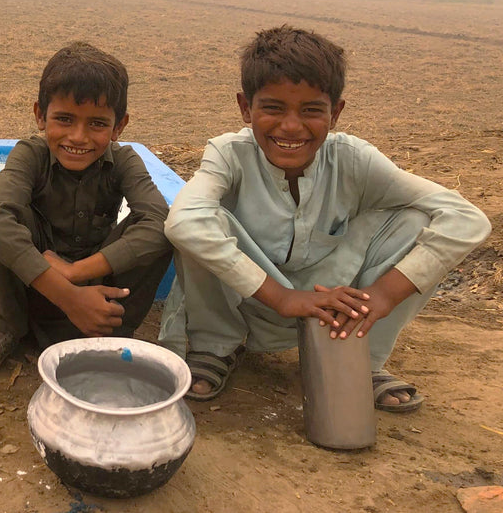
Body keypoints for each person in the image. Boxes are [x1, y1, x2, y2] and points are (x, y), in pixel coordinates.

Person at [158, 26, 491, 411]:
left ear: (336, 113)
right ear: (245, 108)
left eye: (312, 110)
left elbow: (467, 218)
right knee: (202, 222)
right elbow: (183, 223)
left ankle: (359, 358)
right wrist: (282, 297)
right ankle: (216, 345)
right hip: (246, 300)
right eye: (273, 108)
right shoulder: (229, 155)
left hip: (335, 306)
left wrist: (384, 295)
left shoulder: (354, 160)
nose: (291, 126)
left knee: (417, 221)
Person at [0, 42, 172, 378]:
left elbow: (159, 220)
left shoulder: (125, 161)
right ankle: (9, 326)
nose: (78, 136)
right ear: (41, 115)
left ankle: (109, 334)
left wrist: (75, 272)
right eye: (64, 119)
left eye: (97, 124)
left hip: (97, 293)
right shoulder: (31, 155)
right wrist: (68, 296)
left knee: (161, 231)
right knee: (3, 221)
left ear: (119, 126)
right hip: (33, 290)